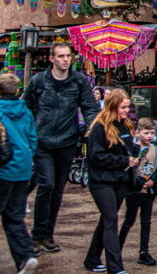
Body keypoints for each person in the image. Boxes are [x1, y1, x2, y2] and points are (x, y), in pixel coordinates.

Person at [24, 41, 101, 254]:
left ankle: (48, 235)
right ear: (52, 59)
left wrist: (89, 128)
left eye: (68, 56)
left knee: (58, 190)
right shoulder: (39, 81)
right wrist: (29, 134)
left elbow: (90, 108)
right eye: (60, 56)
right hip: (42, 142)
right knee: (46, 185)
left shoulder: (78, 81)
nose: (65, 59)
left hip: (67, 142)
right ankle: (37, 235)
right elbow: (27, 109)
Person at [84, 89, 139, 274]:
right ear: (112, 106)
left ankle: (92, 258)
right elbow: (96, 155)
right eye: (123, 107)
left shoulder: (125, 125)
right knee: (111, 221)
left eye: (127, 107)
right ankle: (115, 267)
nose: (126, 110)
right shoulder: (99, 127)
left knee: (106, 220)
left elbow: (127, 150)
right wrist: (124, 161)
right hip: (101, 181)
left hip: (120, 180)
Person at [0, 73, 39, 274]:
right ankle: (26, 256)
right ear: (16, 91)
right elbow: (32, 140)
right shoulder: (26, 112)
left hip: (1, 170)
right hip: (22, 170)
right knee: (15, 217)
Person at [119, 117, 157, 267]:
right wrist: (140, 182)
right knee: (129, 221)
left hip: (149, 191)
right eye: (146, 133)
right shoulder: (132, 149)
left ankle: (143, 252)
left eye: (152, 133)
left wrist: (154, 179)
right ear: (137, 133)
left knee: (146, 222)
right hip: (134, 191)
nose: (149, 136)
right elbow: (129, 172)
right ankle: (116, 249)